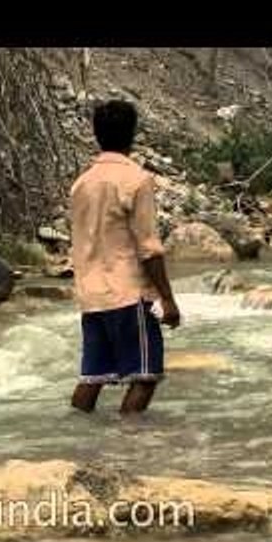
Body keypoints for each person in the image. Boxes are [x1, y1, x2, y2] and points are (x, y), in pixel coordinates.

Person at [69, 100, 181, 415]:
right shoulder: (136, 180)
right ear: (132, 134)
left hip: (92, 296)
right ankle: (128, 447)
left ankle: (76, 436)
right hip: (128, 294)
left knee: (93, 376)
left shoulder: (81, 184)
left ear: (96, 135)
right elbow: (148, 246)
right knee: (146, 375)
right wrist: (168, 299)